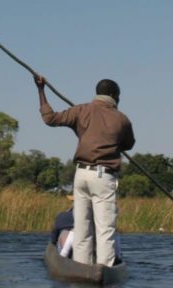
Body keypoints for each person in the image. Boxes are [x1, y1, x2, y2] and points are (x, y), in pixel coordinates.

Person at [35, 75, 135, 267]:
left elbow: (50, 118)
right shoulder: (122, 119)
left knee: (82, 229)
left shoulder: (80, 110)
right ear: (114, 95)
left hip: (81, 175)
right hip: (103, 176)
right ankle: (104, 271)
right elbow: (128, 144)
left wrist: (41, 90)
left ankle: (81, 270)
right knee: (105, 229)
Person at [51, 199, 122, 261]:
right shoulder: (98, 215)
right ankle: (117, 257)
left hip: (76, 239)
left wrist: (53, 243)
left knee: (68, 234)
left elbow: (54, 236)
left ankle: (63, 257)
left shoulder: (63, 215)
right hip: (89, 241)